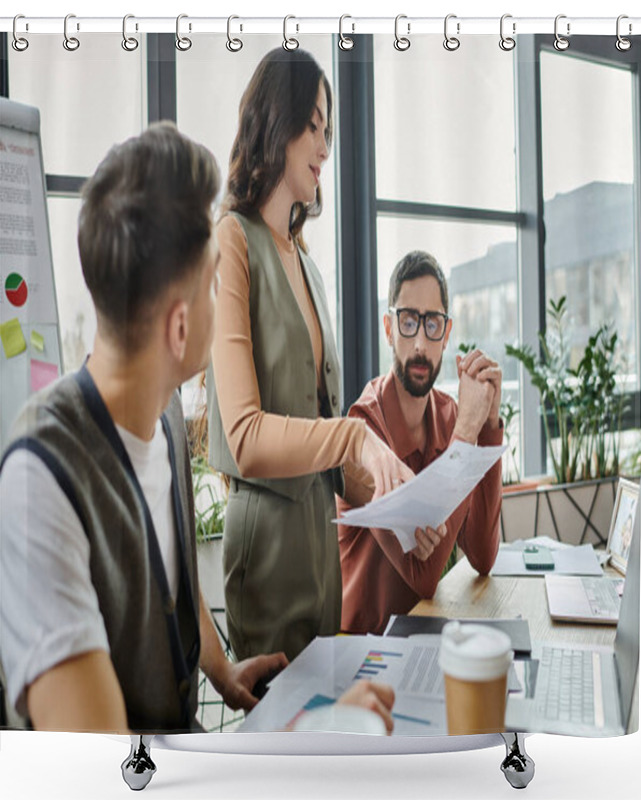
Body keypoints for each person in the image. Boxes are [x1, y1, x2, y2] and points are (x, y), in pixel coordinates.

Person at [0, 123, 394, 735]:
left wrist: (220, 668)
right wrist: (298, 732)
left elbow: (171, 573)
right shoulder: (39, 479)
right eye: (216, 280)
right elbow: (99, 770)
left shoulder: (164, 420)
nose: (227, 295)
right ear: (181, 329)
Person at [206, 48, 412, 663]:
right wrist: (352, 438)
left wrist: (396, 502)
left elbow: (325, 442)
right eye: (314, 125)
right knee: (282, 750)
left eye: (329, 130)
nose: (326, 146)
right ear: (277, 121)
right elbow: (244, 436)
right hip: (266, 561)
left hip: (323, 561)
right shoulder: (232, 242)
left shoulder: (309, 267)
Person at [336, 251, 504, 635]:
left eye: (432, 325)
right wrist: (466, 434)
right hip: (365, 650)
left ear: (446, 335)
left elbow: (481, 556)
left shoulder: (449, 416)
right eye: (408, 321)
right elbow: (423, 575)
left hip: (426, 637)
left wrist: (489, 425)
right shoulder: (364, 428)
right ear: (388, 328)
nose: (419, 344)